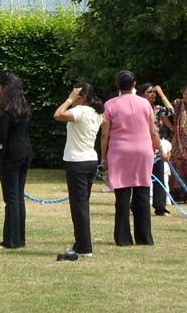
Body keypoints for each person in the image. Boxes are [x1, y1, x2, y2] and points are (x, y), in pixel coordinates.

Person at [101, 70, 165, 247]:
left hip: (119, 151)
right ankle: (144, 237)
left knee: (122, 195)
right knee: (142, 193)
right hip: (143, 151)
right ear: (134, 84)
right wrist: (161, 150)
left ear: (117, 84)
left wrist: (103, 156)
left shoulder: (110, 104)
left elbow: (105, 134)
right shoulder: (145, 104)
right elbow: (153, 131)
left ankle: (123, 238)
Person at [0, 72, 32, 249]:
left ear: (4, 87)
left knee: (11, 197)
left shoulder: (6, 108)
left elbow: (2, 135)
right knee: (18, 196)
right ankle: (20, 238)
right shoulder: (24, 106)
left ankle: (11, 240)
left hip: (11, 154)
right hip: (25, 151)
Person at [53, 82, 105, 260]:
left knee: (79, 207)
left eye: (75, 94)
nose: (72, 96)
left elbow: (58, 114)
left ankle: (84, 247)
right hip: (90, 160)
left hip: (77, 162)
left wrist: (69, 100)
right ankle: (80, 243)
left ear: (81, 97)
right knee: (82, 205)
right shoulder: (97, 113)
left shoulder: (81, 111)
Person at [139, 82, 174, 215]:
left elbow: (171, 111)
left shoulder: (157, 109)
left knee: (160, 178)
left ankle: (160, 207)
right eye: (149, 92)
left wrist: (160, 92)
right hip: (142, 147)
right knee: (141, 179)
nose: (152, 94)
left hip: (156, 148)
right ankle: (137, 206)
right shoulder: (138, 109)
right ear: (142, 95)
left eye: (153, 92)